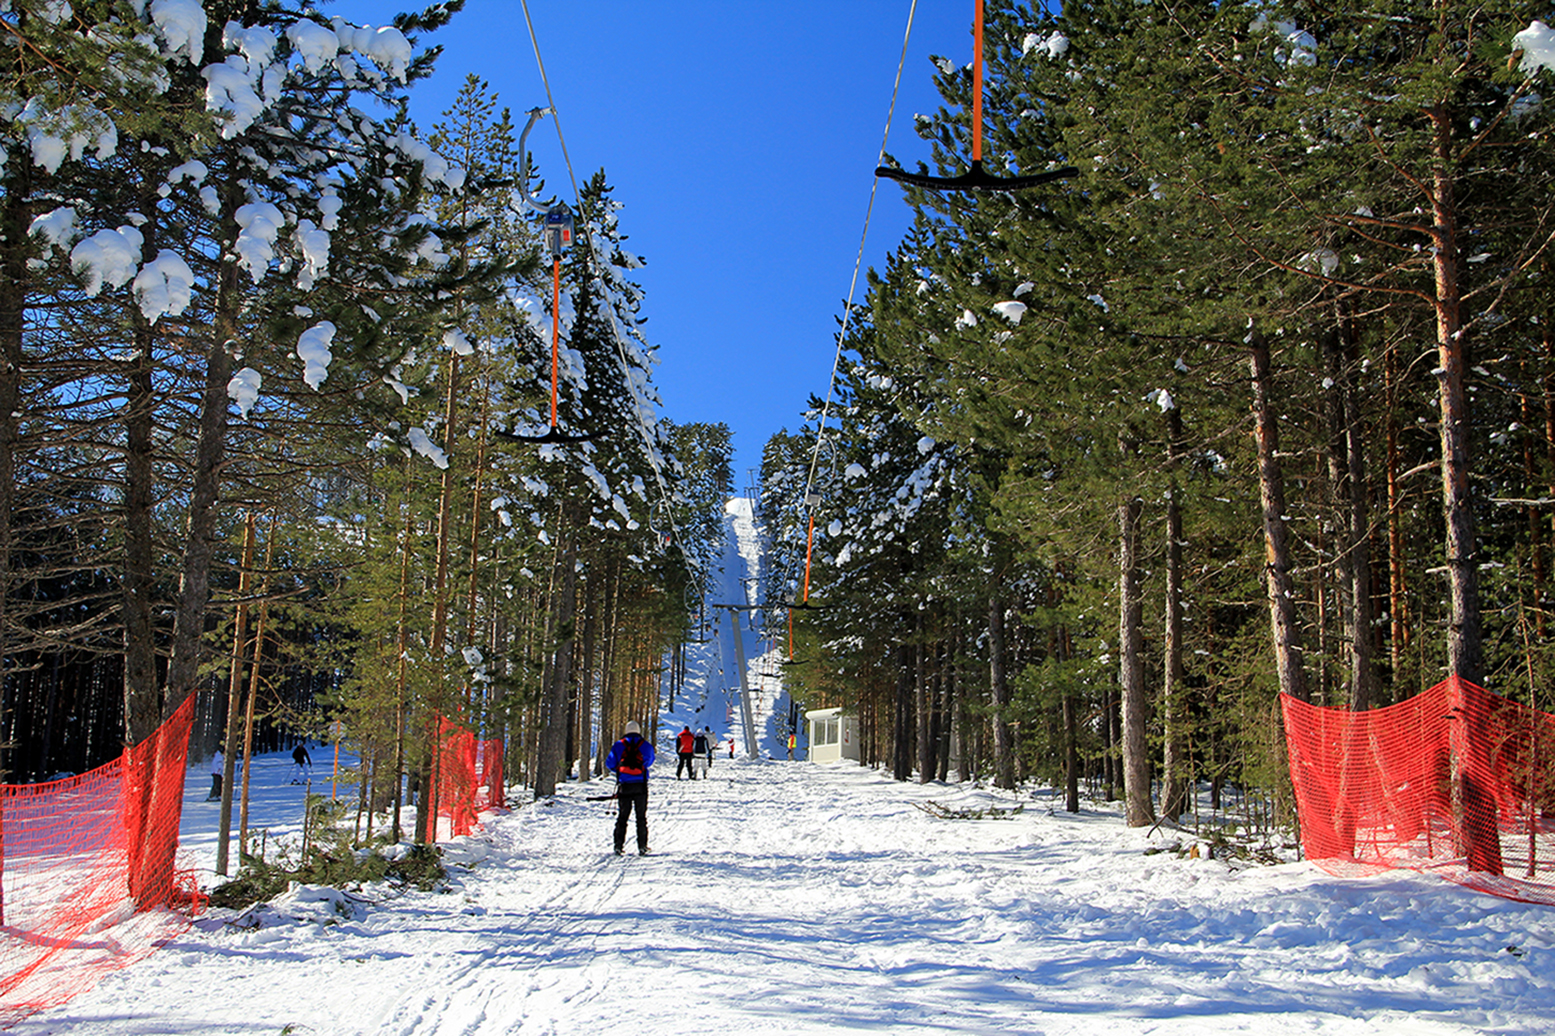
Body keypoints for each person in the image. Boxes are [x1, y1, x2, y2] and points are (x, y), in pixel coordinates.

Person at [605, 720, 655, 855]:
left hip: (624, 785)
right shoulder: (645, 745)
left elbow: (609, 763)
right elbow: (649, 761)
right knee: (641, 817)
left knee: (622, 816)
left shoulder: (618, 745)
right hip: (641, 785)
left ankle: (618, 845)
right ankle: (642, 846)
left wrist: (621, 771)